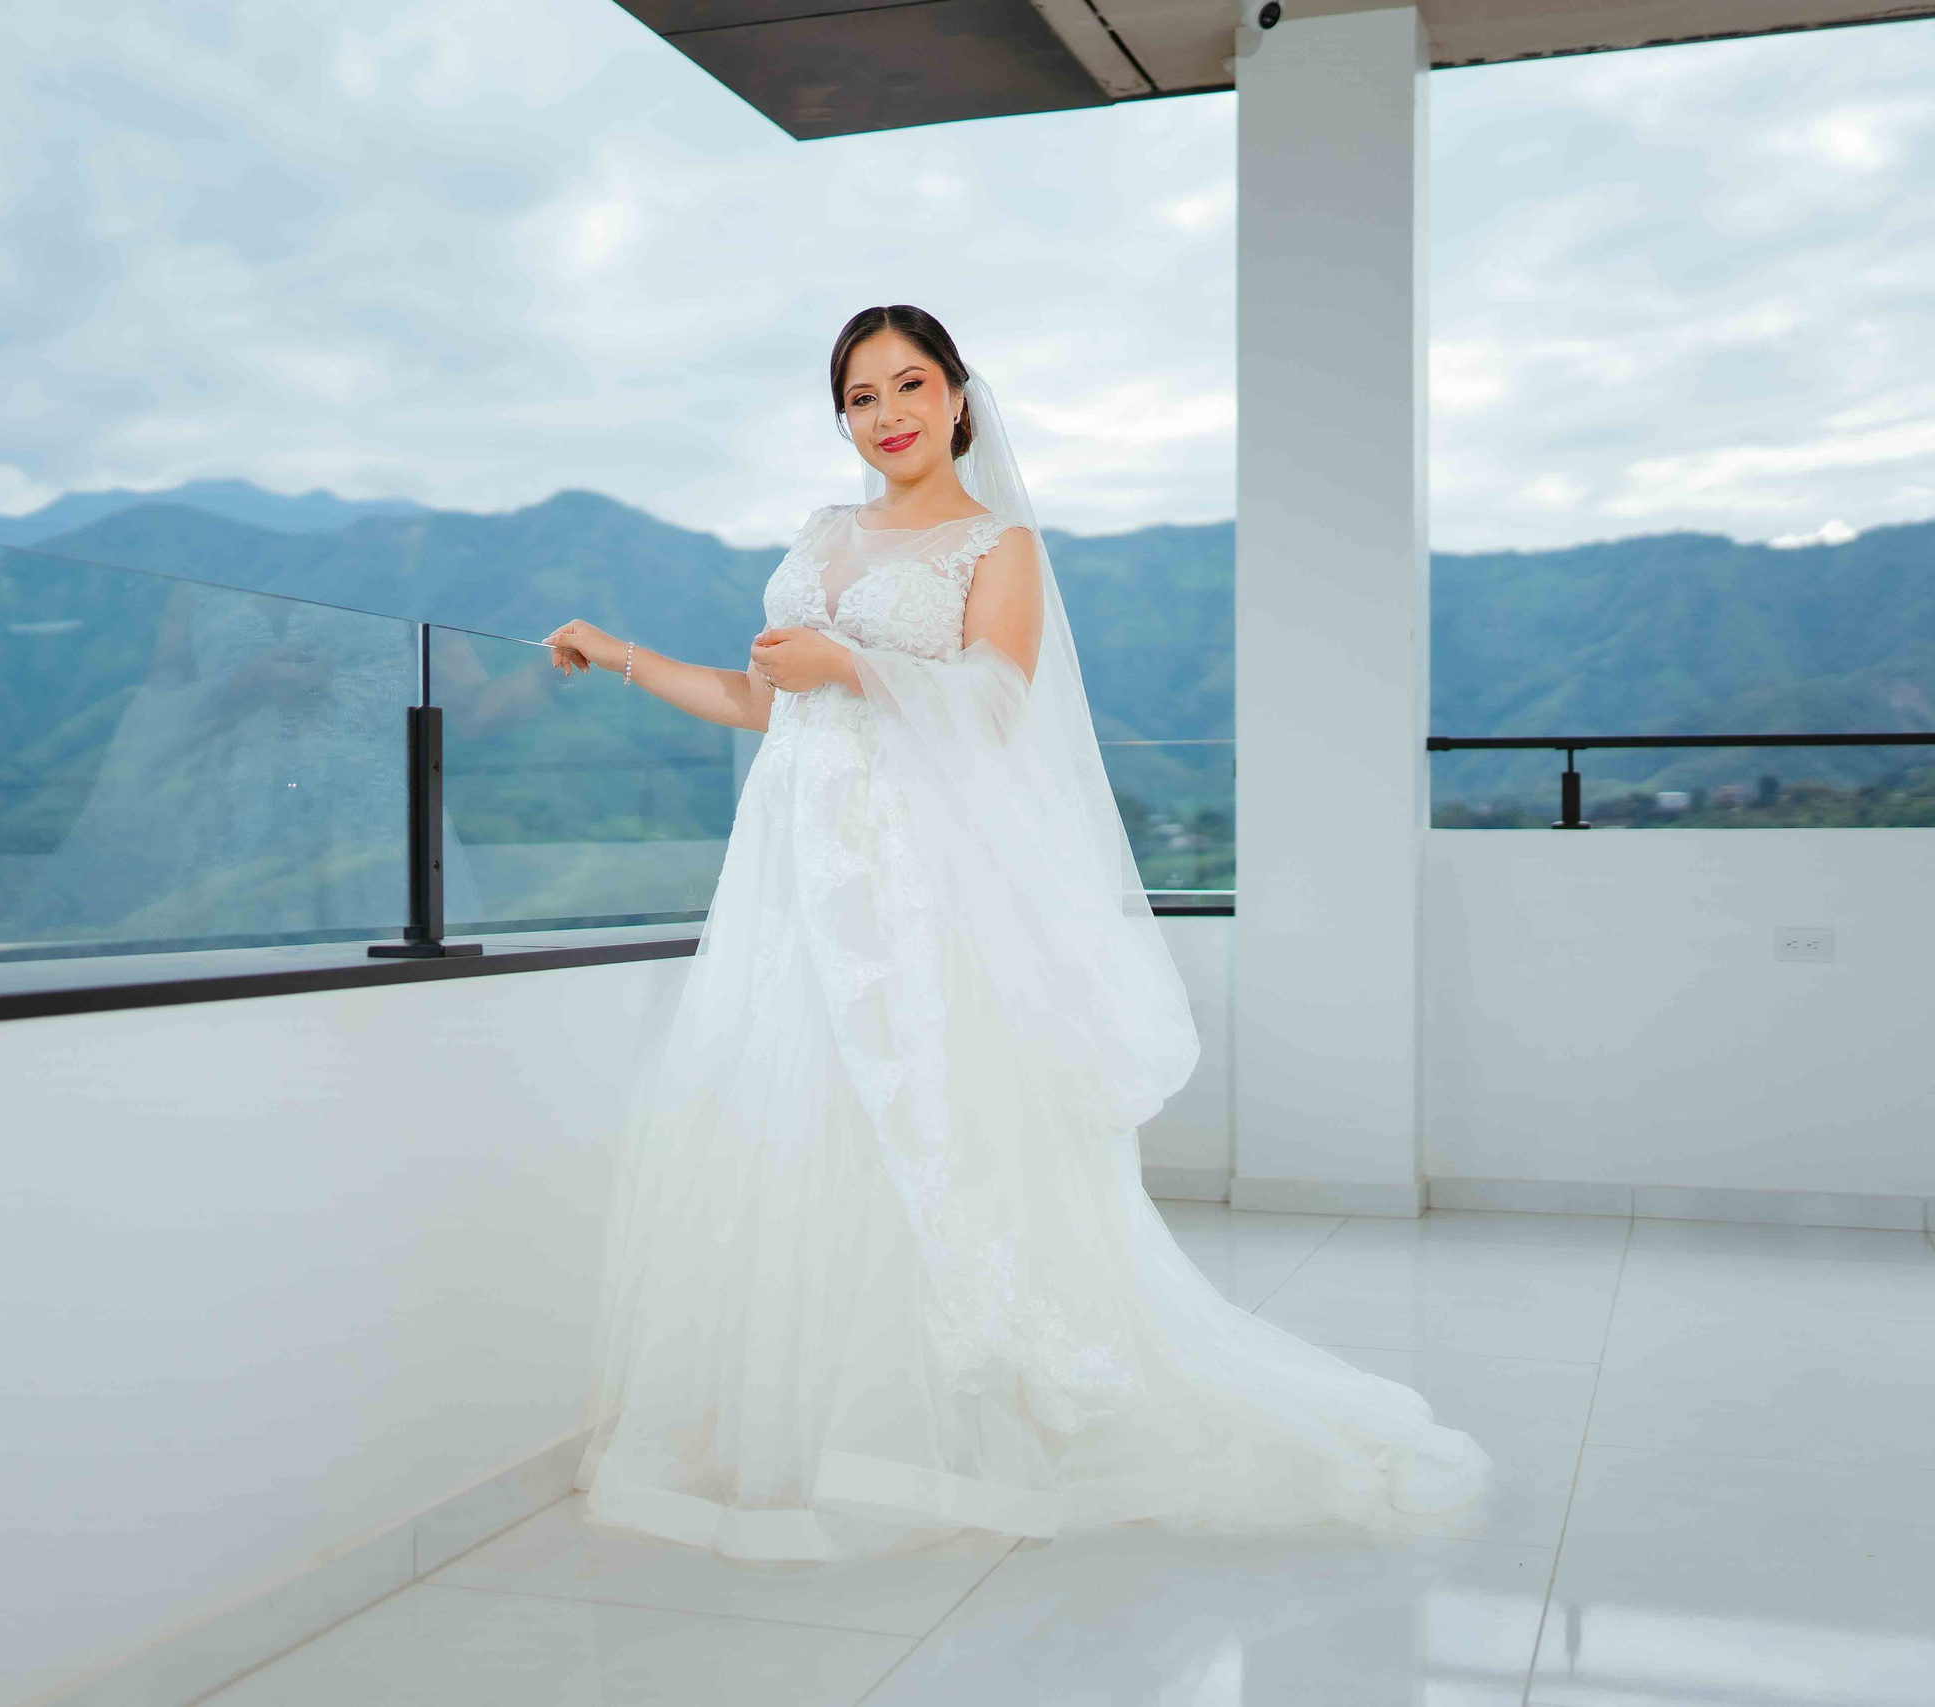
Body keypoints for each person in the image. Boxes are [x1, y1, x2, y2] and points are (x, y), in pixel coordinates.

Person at [542, 305, 1488, 1563]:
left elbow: (995, 707)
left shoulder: (1000, 544)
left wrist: (852, 668)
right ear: (843, 419)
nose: (888, 416)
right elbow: (759, 702)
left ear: (957, 396)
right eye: (862, 397)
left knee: (939, 1129)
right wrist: (618, 655)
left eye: (910, 385)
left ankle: (973, 1422)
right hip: (794, 878)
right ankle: (818, 1423)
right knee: (803, 1132)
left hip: (916, 884)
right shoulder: (825, 534)